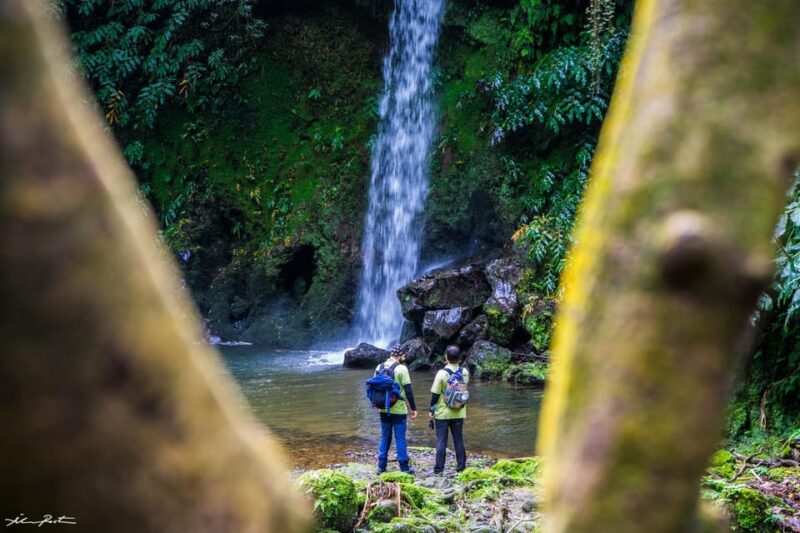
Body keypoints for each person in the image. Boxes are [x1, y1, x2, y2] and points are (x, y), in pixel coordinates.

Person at [375, 345, 418, 475]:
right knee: (400, 438)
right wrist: (413, 409)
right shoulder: (401, 369)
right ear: (400, 355)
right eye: (404, 355)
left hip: (383, 408)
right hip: (398, 409)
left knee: (384, 437)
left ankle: (381, 467)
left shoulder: (379, 367)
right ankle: (404, 468)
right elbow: (408, 390)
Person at [429, 345, 468, 474]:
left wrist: (431, 411)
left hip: (442, 413)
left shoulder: (441, 373)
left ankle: (439, 469)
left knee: (441, 441)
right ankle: (461, 467)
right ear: (459, 358)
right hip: (459, 411)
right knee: (459, 439)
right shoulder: (464, 372)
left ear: (446, 357)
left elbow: (435, 395)